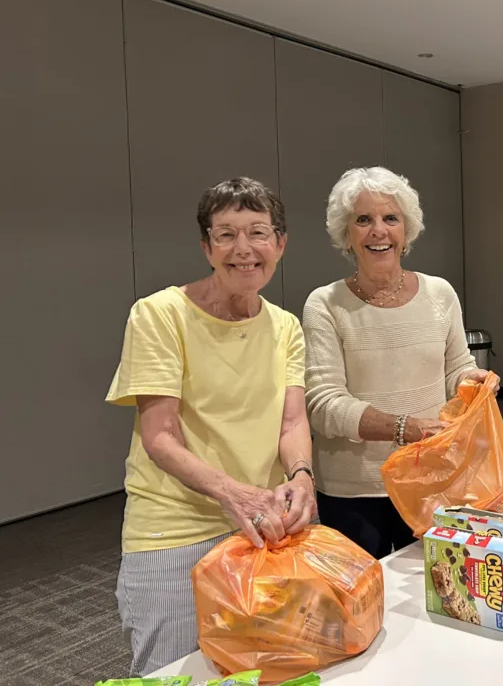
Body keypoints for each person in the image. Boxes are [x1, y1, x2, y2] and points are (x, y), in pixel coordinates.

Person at [105, 178, 316, 676]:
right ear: (206, 246)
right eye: (226, 235)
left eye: (258, 233)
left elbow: (291, 421)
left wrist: (303, 476)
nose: (243, 249)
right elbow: (160, 436)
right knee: (174, 672)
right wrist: (233, 493)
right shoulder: (160, 315)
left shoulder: (285, 325)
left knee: (263, 665)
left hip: (259, 526)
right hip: (174, 529)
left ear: (280, 243)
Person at [303, 166, 496, 560]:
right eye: (363, 220)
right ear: (346, 233)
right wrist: (403, 428)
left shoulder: (440, 293)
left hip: (429, 477)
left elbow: (455, 368)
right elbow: (323, 405)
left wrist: (473, 380)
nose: (378, 231)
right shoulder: (325, 304)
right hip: (353, 492)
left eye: (390, 218)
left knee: (436, 594)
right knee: (366, 607)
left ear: (406, 230)